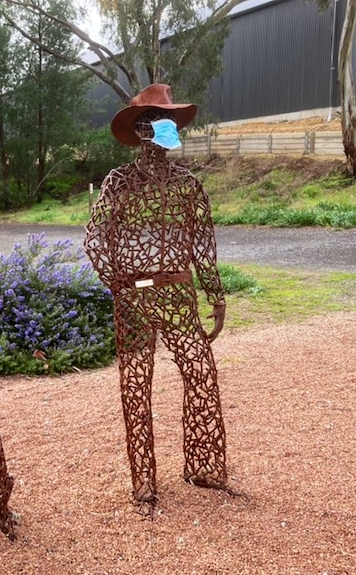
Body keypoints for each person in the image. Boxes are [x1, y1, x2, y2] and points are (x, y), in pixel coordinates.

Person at [84, 84, 229, 510]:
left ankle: (204, 466)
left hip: (179, 296)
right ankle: (144, 484)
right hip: (134, 299)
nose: (165, 129)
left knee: (201, 373)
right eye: (157, 121)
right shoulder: (119, 183)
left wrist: (216, 297)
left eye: (169, 121)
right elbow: (96, 240)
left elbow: (202, 245)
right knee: (136, 387)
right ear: (142, 129)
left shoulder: (188, 187)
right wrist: (121, 286)